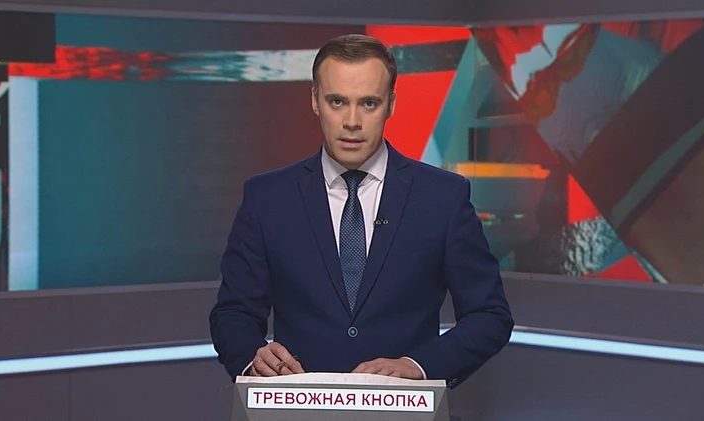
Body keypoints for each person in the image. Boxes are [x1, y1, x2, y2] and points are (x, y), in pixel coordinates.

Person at [209, 34, 513, 388]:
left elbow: (489, 315)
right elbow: (233, 314)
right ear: (315, 100)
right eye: (337, 101)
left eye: (369, 103)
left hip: (405, 408)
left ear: (391, 104)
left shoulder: (443, 197)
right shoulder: (267, 198)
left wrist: (418, 366)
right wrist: (254, 359)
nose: (352, 121)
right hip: (297, 406)